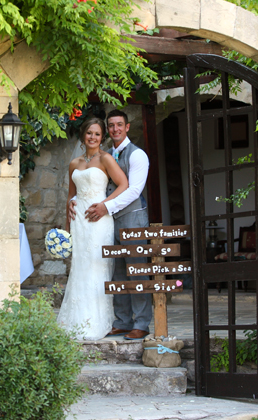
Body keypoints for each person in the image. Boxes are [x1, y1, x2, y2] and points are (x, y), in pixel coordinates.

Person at [69, 109, 151, 340]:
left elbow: (134, 189)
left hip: (132, 218)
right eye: (111, 125)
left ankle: (142, 323)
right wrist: (75, 201)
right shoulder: (107, 154)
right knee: (118, 272)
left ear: (127, 127)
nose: (115, 129)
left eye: (119, 125)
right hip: (106, 222)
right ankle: (123, 321)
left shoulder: (137, 155)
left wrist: (106, 207)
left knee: (136, 270)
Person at [57, 117, 128, 340]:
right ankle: (75, 320)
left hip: (99, 219)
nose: (93, 137)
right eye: (89, 133)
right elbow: (71, 195)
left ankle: (97, 321)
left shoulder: (106, 158)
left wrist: (105, 205)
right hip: (79, 221)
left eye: (97, 134)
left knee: (97, 266)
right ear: (83, 135)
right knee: (80, 266)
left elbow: (124, 184)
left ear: (102, 137)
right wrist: (68, 220)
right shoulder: (74, 164)